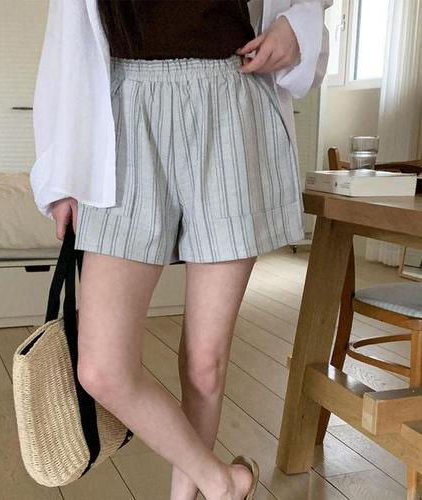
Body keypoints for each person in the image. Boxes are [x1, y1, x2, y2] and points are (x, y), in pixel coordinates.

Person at [29, 1, 332, 498]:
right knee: (102, 369)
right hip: (122, 116)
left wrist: (295, 25)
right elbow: (64, 40)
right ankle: (223, 483)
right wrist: (60, 173)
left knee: (204, 363)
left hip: (229, 101)